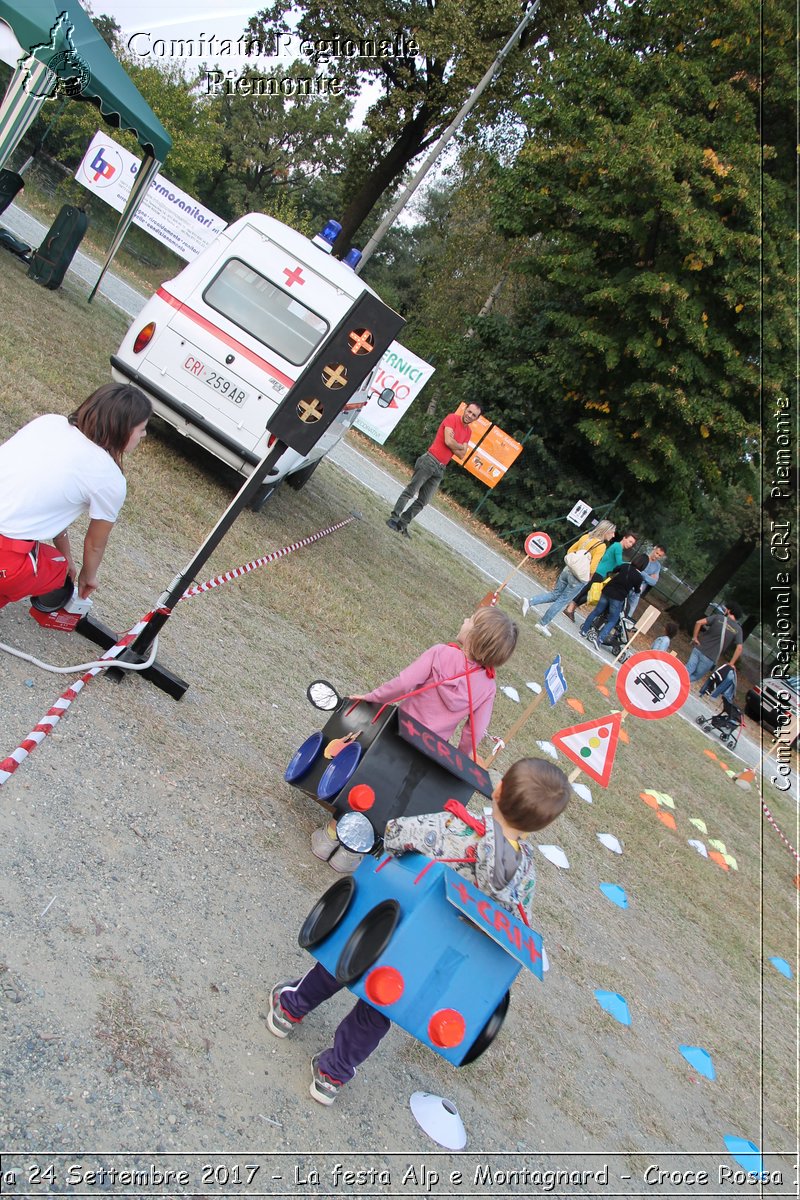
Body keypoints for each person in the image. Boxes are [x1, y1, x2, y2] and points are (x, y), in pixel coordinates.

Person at [267, 756, 572, 1106]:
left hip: (390, 920)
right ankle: (333, 1074)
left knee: (338, 960)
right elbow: (516, 925)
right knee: (379, 1010)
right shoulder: (525, 873)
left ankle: (289, 1009)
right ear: (540, 826)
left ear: (498, 789)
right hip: (428, 959)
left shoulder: (457, 827)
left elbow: (399, 833)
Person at [311, 606, 518, 869]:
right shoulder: (487, 686)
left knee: (365, 782)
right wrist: (460, 760)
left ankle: (329, 838)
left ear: (475, 636)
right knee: (391, 796)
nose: (464, 619)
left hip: (395, 735)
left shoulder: (440, 653)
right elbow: (473, 731)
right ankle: (352, 854)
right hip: (430, 753)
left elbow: (403, 683)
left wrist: (373, 697)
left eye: (471, 620)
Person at [0, 384, 151, 609]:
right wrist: (87, 576)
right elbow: (94, 545)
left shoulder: (49, 422)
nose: (144, 435)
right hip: (5, 555)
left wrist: (66, 552)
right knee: (59, 569)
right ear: (124, 429)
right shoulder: (110, 479)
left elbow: (44, 499)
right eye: (142, 429)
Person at [386, 403, 482, 537]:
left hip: (441, 468)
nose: (470, 415)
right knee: (410, 491)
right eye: (469, 412)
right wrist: (459, 445)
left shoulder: (468, 432)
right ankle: (394, 518)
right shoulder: (452, 418)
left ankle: (403, 523)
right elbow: (448, 442)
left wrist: (455, 443)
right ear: (465, 410)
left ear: (476, 419)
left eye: (474, 415)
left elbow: (462, 454)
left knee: (423, 501)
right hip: (430, 461)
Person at [522, 520, 616, 638]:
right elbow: (593, 565)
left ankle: (530, 602)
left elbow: (571, 550)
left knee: (555, 594)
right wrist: (588, 577)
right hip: (578, 576)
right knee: (562, 600)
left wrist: (576, 559)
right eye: (612, 532)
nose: (613, 535)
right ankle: (542, 623)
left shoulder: (586, 537)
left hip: (568, 570)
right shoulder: (601, 546)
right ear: (605, 531)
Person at [563, 530, 638, 621]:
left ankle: (571, 608)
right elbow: (619, 563)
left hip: (602, 573)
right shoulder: (618, 547)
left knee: (590, 594)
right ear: (624, 538)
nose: (630, 544)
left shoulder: (617, 547)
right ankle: (570, 608)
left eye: (632, 543)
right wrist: (631, 565)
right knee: (587, 592)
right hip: (599, 572)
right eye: (630, 541)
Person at [580, 552, 649, 646]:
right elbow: (637, 590)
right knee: (613, 619)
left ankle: (584, 630)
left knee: (597, 611)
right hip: (618, 597)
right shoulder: (639, 577)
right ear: (644, 566)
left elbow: (615, 569)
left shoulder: (625, 566)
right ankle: (600, 639)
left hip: (607, 591)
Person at [686, 602, 744, 684]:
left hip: (699, 648)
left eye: (726, 609)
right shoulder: (738, 629)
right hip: (710, 657)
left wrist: (695, 637)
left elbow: (699, 622)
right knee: (695, 676)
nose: (725, 610)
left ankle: (676, 681)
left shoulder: (718, 617)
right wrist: (731, 663)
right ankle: (681, 684)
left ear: (729, 610)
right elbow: (739, 648)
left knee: (687, 669)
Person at [627, 545, 666, 617]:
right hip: (628, 586)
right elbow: (633, 568)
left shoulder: (657, 566)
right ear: (654, 549)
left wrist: (642, 573)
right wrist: (649, 576)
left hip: (637, 592)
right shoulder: (643, 557)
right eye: (657, 553)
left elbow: (653, 582)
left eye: (660, 556)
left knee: (630, 612)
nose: (657, 556)